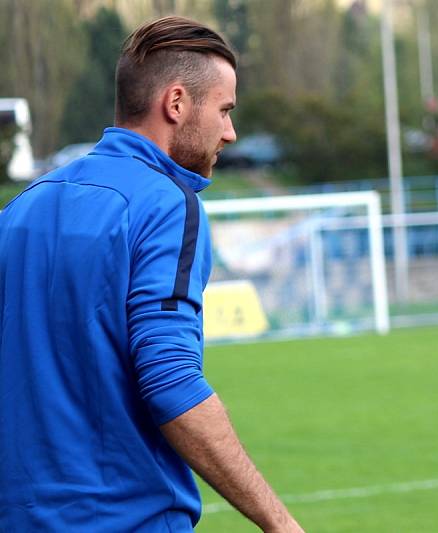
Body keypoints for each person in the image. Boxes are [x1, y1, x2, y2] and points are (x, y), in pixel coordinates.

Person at [0, 16, 303, 532]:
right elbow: (170, 381)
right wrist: (281, 524)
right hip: (126, 518)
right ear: (177, 103)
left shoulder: (22, 207)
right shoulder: (164, 203)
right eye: (225, 111)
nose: (230, 132)